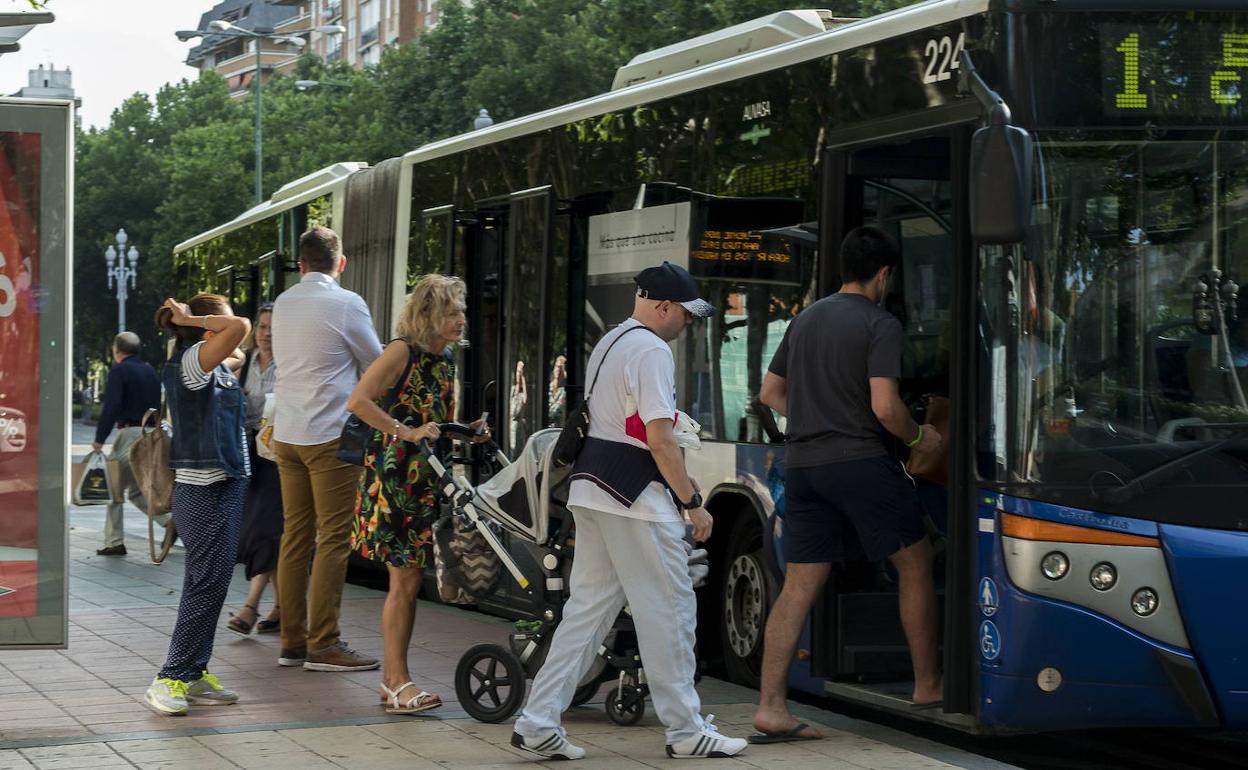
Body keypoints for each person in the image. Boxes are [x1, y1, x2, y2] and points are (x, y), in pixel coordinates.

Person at [512, 262, 748, 761]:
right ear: (663, 306)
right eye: (685, 314)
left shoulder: (612, 342)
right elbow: (659, 442)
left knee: (587, 614)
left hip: (593, 490)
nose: (688, 323)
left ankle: (537, 720)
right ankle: (685, 730)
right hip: (636, 498)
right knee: (671, 610)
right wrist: (693, 503)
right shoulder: (651, 351)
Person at [751, 226, 943, 744]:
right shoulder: (880, 323)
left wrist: (817, 413)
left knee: (799, 584)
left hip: (804, 467)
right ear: (883, 275)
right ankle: (927, 684)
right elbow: (885, 408)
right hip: (859, 462)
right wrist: (922, 437)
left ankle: (770, 707)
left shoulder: (805, 318)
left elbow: (771, 392)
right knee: (915, 561)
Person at [346, 274, 491, 714]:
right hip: (394, 481)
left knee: (408, 582)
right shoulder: (401, 352)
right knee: (404, 581)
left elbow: (437, 421)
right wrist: (404, 430)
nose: (461, 319)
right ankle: (394, 682)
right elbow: (358, 401)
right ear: (428, 314)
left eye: (462, 311)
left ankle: (396, 681)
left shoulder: (444, 360)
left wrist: (468, 432)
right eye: (452, 312)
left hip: (425, 479)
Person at [271, 226, 383, 672]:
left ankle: (291, 642)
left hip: (287, 434)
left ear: (300, 264)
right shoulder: (347, 303)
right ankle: (325, 643)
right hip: (329, 436)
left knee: (295, 537)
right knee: (333, 539)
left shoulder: (282, 302)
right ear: (341, 263)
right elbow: (377, 365)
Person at [144, 294, 251, 716]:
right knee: (204, 586)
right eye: (217, 326)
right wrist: (191, 319)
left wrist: (201, 324)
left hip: (227, 485)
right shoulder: (191, 364)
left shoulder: (215, 365)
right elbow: (239, 330)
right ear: (208, 333)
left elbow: (237, 347)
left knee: (215, 584)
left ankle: (194, 671)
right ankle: (168, 677)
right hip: (202, 490)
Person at [227, 303, 283, 636]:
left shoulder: (290, 365)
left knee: (265, 530)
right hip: (248, 453)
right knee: (259, 532)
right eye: (262, 327)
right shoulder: (243, 362)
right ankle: (284, 608)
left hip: (277, 454)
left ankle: (250, 605)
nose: (267, 334)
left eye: (274, 329)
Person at [92, 331, 164, 557]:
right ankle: (172, 523)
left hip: (129, 434)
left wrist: (99, 439)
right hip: (152, 433)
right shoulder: (151, 370)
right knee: (137, 490)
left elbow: (111, 406)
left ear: (116, 349)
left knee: (114, 487)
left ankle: (114, 541)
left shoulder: (120, 370)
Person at [510, 360, 528, 449]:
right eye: (518, 371)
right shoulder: (511, 389)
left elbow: (525, 400)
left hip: (519, 426)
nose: (519, 374)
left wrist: (522, 378)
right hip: (511, 424)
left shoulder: (522, 393)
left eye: (521, 372)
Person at [548, 355, 567, 427]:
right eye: (557, 366)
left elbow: (552, 412)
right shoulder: (549, 387)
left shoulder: (564, 391)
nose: (558, 370)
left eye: (560, 368)